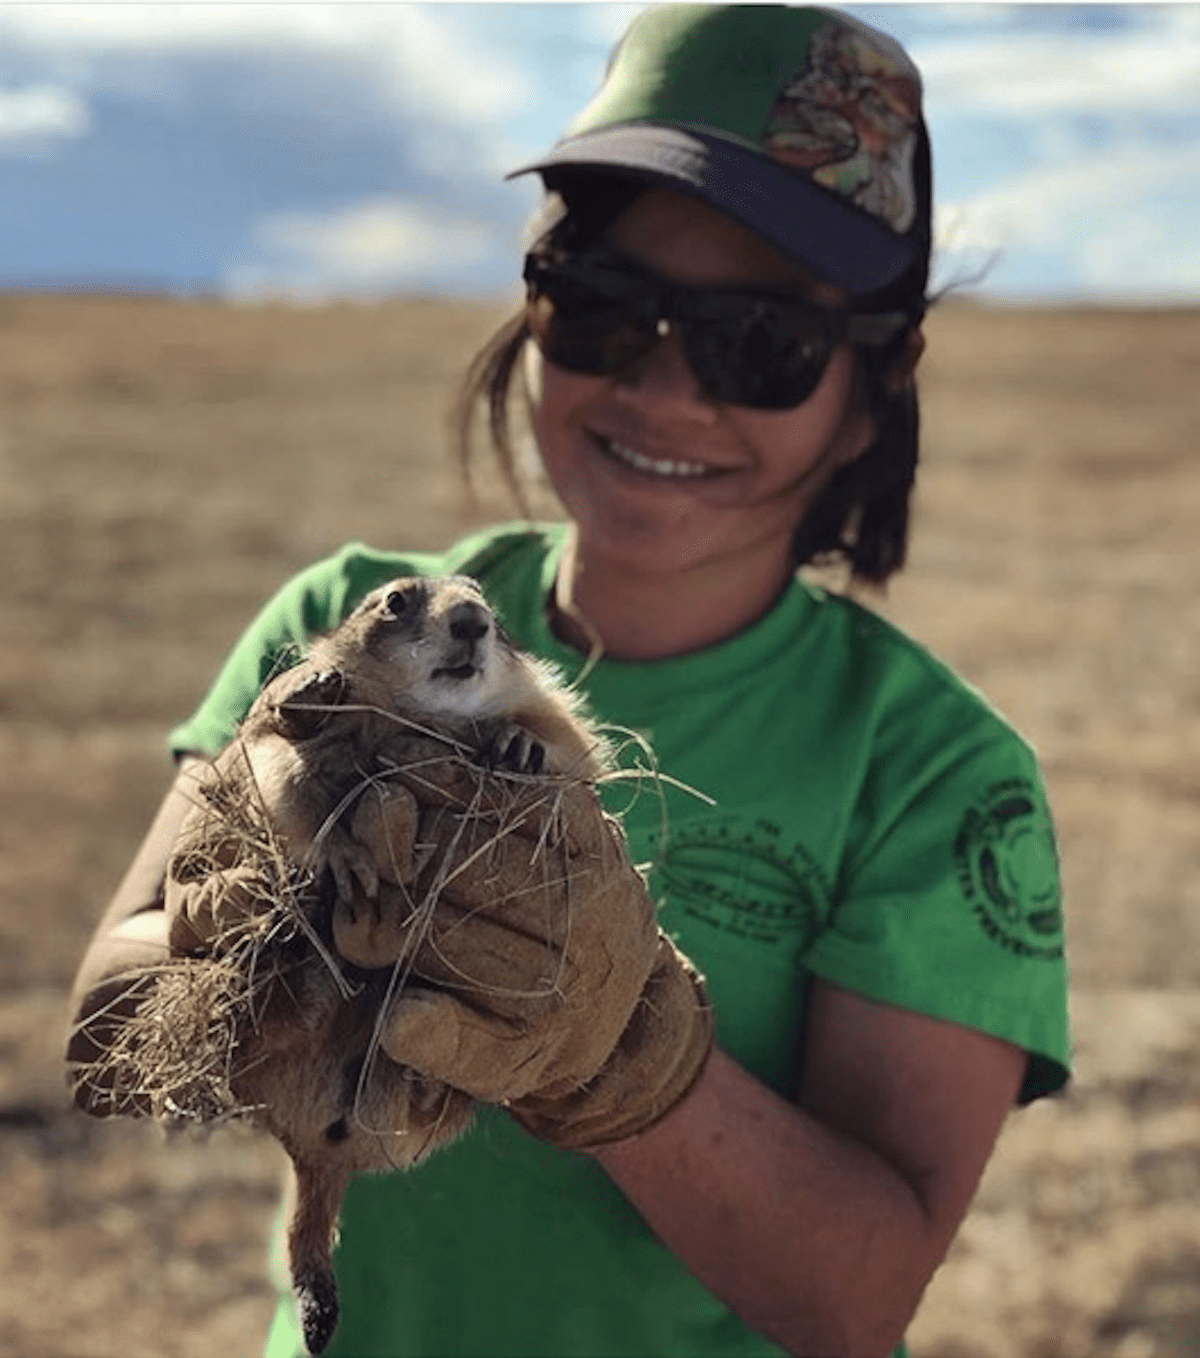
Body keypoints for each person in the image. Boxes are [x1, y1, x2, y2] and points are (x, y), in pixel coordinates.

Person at [66, 7, 1071, 1358]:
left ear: (881, 377)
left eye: (759, 341)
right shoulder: (337, 623)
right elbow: (103, 1038)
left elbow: (858, 1299)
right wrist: (245, 951)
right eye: (601, 306)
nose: (662, 386)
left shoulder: (935, 773)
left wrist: (625, 1061)